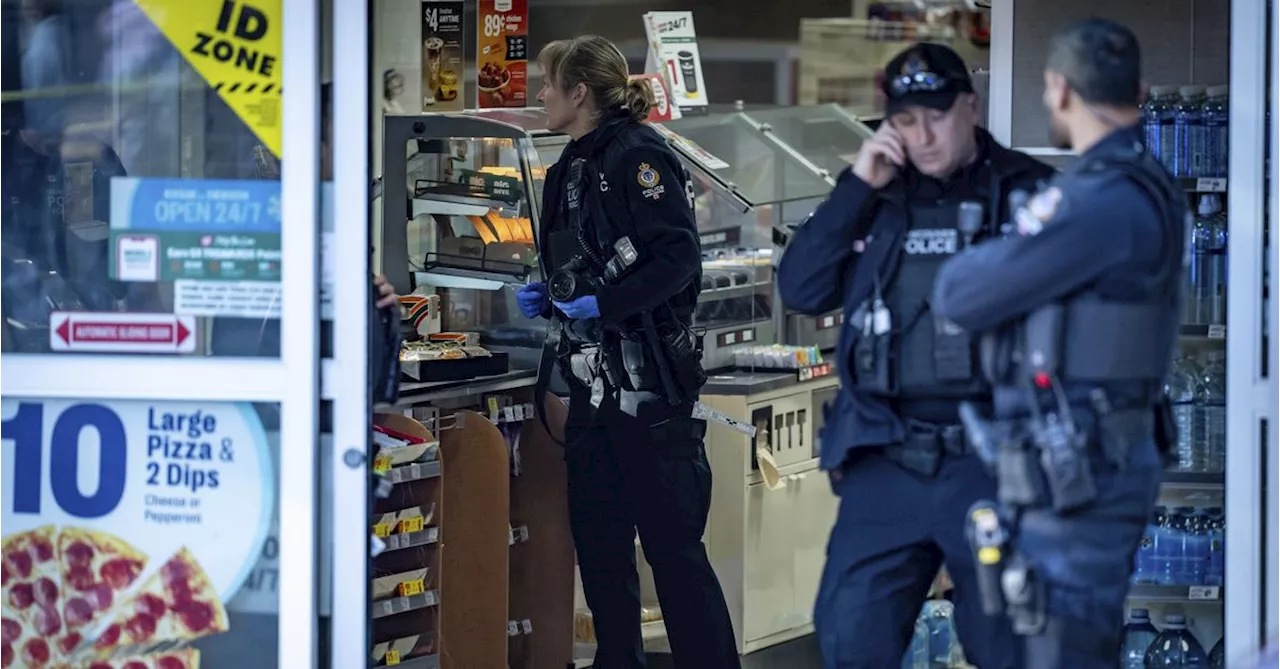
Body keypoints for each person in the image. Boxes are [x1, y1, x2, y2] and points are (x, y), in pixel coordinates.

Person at [777, 42, 1054, 669]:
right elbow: (801, 288)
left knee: (1012, 646)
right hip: (886, 456)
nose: (922, 135)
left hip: (994, 462)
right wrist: (857, 185)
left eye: (936, 116)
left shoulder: (1029, 192)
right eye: (905, 121)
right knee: (851, 637)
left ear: (971, 107)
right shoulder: (875, 198)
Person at [931, 19, 1184, 668]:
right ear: (1140, 90)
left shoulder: (1097, 199)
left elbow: (960, 293)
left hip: (1081, 468)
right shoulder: (1138, 182)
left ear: (1060, 90)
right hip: (1091, 455)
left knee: (1057, 642)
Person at [516, 34, 739, 669]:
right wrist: (552, 295)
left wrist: (607, 305)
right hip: (590, 394)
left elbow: (677, 258)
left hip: (651, 392)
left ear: (579, 92)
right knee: (601, 547)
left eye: (550, 85)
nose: (540, 95)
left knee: (672, 550)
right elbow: (575, 260)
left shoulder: (640, 154)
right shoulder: (567, 165)